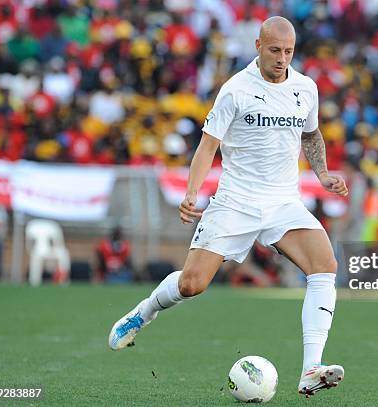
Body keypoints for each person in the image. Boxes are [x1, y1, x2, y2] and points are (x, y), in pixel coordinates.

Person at [108, 16, 348, 397]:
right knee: (191, 285)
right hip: (236, 201)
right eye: (274, 50)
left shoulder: (306, 88)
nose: (282, 59)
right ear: (258, 45)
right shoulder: (236, 89)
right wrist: (191, 192)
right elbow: (208, 145)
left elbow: (311, 133)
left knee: (325, 266)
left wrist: (321, 173)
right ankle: (144, 311)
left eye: (288, 51)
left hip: (283, 201)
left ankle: (311, 368)